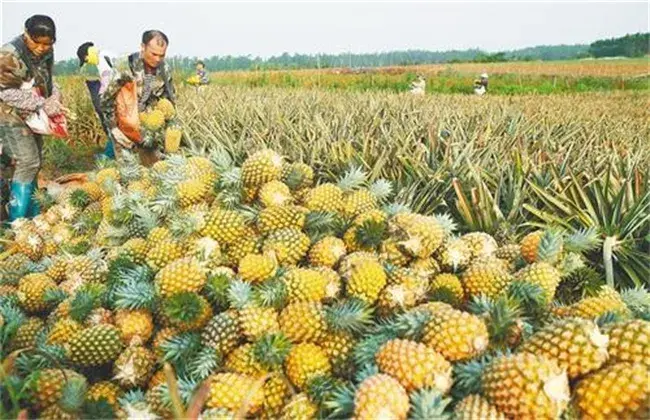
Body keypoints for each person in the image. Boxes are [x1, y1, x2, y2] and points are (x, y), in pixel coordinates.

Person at [0, 15, 62, 222]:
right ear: (26, 34)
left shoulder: (47, 52)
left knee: (35, 162)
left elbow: (49, 80)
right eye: (37, 42)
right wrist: (41, 103)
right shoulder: (9, 55)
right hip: (8, 114)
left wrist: (54, 97)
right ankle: (16, 221)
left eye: (48, 43)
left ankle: (32, 213)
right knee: (27, 161)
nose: (42, 48)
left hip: (32, 115)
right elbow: (5, 92)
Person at [100, 29, 176, 166]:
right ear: (143, 47)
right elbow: (106, 100)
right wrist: (113, 129)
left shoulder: (165, 69)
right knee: (128, 174)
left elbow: (169, 102)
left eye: (162, 55)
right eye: (153, 54)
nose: (157, 59)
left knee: (152, 174)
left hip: (150, 133)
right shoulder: (126, 66)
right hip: (125, 130)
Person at [77, 41, 116, 159]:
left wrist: (101, 99)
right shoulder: (106, 55)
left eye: (85, 59)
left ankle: (110, 155)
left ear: (86, 56)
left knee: (111, 125)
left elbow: (106, 80)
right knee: (113, 125)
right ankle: (111, 152)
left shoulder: (98, 62)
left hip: (108, 98)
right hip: (115, 96)